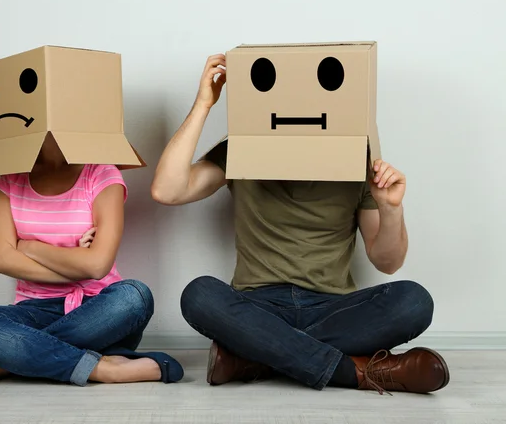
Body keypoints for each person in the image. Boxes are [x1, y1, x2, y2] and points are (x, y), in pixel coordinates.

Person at [150, 54, 449, 394]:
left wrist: (391, 208)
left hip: (332, 307)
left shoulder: (357, 159)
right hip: (258, 304)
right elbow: (167, 190)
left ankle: (257, 356)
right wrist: (204, 104)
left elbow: (387, 261)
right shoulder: (239, 151)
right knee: (199, 295)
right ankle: (357, 372)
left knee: (414, 301)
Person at [0, 134, 183, 387]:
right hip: (34, 310)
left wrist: (30, 247)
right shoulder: (10, 178)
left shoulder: (101, 173)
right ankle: (102, 369)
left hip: (98, 311)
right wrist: (77, 262)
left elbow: (97, 266)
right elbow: (0, 259)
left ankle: (6, 360)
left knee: (135, 296)